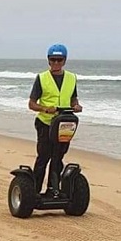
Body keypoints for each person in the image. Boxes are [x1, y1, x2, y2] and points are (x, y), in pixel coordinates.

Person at [28, 43, 83, 194]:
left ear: (64, 60)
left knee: (58, 157)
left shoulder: (71, 78)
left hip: (64, 124)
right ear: (48, 60)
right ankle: (34, 191)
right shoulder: (42, 78)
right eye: (53, 60)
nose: (56, 63)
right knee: (44, 157)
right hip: (45, 123)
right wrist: (45, 108)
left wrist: (77, 106)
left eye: (59, 60)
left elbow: (73, 99)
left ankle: (53, 189)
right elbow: (31, 104)